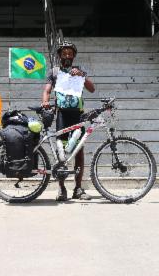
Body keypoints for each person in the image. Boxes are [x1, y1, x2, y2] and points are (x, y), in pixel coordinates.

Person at [41, 41, 96, 202]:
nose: (67, 56)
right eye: (64, 53)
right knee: (62, 153)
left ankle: (78, 188)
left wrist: (82, 76)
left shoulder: (79, 71)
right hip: (62, 116)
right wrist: (45, 101)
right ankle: (61, 188)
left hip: (77, 115)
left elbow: (92, 89)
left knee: (78, 152)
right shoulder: (55, 72)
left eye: (69, 53)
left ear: (73, 56)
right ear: (59, 56)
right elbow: (47, 90)